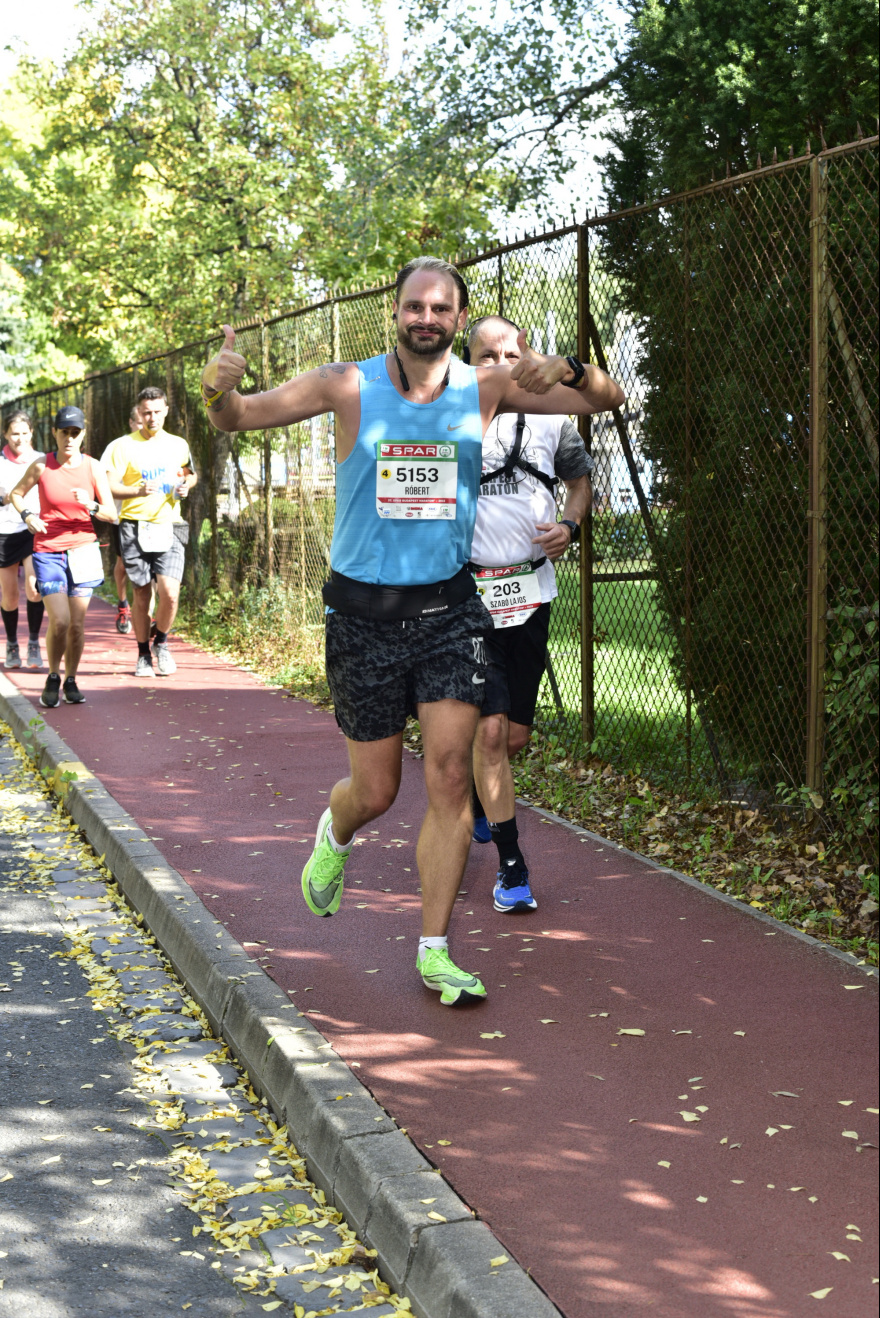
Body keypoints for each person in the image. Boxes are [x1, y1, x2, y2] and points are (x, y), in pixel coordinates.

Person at [200, 255, 623, 1006]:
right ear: (394, 313)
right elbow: (239, 417)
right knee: (376, 790)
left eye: (441, 308)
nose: (426, 318)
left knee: (453, 774)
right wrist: (215, 387)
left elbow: (607, 397)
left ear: (460, 319)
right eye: (414, 306)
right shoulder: (345, 384)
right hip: (362, 618)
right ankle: (334, 834)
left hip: (449, 612)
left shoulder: (485, 385)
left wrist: (573, 366)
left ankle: (434, 950)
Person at [464, 316, 593, 913]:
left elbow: (580, 482)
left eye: (511, 351)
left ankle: (474, 795)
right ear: (469, 360)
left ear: (527, 356)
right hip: (465, 597)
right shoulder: (452, 413)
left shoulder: (551, 417)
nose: (500, 360)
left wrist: (569, 525)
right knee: (489, 731)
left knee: (512, 735)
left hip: (531, 593)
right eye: (487, 352)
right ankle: (512, 869)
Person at [9, 405, 117, 708]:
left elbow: (113, 515)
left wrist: (92, 506)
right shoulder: (42, 465)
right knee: (60, 621)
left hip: (83, 550)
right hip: (48, 551)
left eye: (75, 432)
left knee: (77, 625)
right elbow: (16, 495)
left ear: (82, 435)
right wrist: (28, 515)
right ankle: (53, 675)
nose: (69, 438)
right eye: (64, 432)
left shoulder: (93, 467)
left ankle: (70, 679)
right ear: (54, 433)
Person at [104, 387, 197, 677]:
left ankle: (163, 643)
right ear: (138, 413)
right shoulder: (123, 446)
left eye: (157, 411)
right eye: (146, 412)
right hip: (134, 526)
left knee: (169, 593)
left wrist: (187, 485)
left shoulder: (178, 444)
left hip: (169, 525)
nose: (152, 417)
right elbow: (110, 485)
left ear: (166, 411)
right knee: (142, 593)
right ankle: (143, 654)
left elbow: (189, 473)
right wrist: (138, 490)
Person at [0, 410, 45, 670]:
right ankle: (13, 644)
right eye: (14, 433)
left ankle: (34, 642)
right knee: (9, 596)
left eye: (24, 433)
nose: (19, 438)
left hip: (32, 529)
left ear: (31, 433)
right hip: (4, 532)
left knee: (34, 588)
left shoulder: (42, 461)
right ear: (6, 434)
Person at [100, 404, 142, 634]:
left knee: (152, 571)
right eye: (139, 421)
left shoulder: (159, 445)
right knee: (124, 565)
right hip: (122, 517)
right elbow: (104, 480)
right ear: (131, 423)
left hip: (152, 518)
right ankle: (123, 604)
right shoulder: (116, 447)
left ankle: (146, 612)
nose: (143, 426)